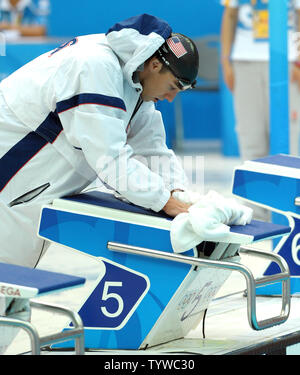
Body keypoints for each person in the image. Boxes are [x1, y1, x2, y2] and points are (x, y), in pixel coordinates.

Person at [220, 0, 300, 220]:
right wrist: (226, 61)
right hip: (245, 60)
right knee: (250, 134)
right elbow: (229, 15)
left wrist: (299, 60)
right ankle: (255, 210)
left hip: (286, 59)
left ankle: (287, 208)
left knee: (287, 137)